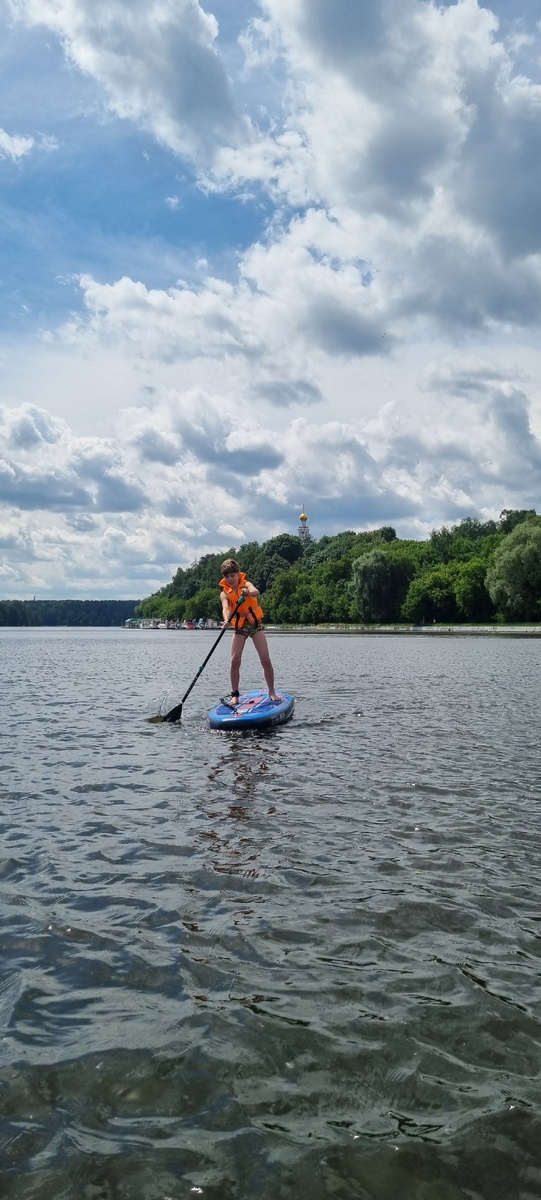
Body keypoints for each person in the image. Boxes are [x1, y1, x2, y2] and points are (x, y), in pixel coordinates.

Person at [219, 558, 280, 704]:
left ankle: (272, 691)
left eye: (232, 576)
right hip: (239, 627)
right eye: (227, 577)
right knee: (234, 661)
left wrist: (248, 592)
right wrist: (227, 620)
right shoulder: (224, 593)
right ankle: (235, 695)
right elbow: (225, 608)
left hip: (255, 625)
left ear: (238, 574)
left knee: (265, 659)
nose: (230, 579)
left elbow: (256, 592)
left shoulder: (245, 584)